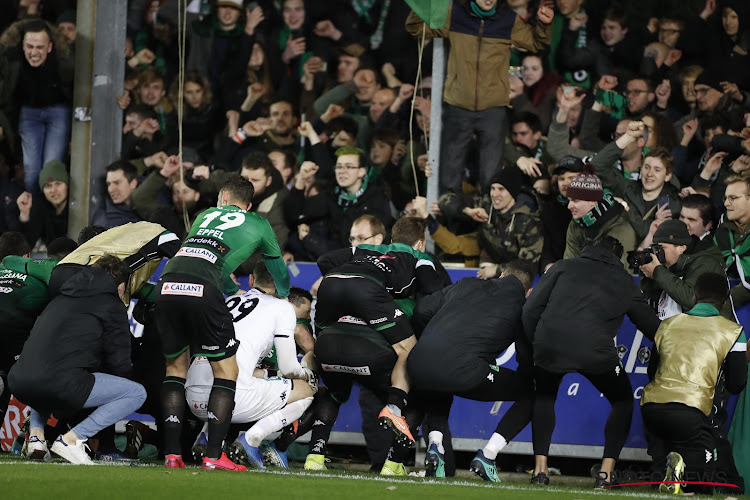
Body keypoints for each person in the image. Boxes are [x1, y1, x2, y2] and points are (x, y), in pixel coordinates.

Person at [155, 174, 290, 471]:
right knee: (227, 372)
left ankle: (173, 455)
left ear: (223, 199)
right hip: (203, 289)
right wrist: (283, 293)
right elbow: (277, 268)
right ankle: (214, 457)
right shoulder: (259, 223)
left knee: (175, 370)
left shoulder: (204, 215)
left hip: (167, 284)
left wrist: (230, 290)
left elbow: (201, 258)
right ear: (248, 204)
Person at [524, 236, 660, 488]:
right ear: (617, 258)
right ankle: (606, 474)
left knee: (544, 397)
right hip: (595, 351)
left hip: (549, 344)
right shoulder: (624, 281)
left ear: (590, 248)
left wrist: (536, 347)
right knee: (621, 401)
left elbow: (530, 309)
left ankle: (540, 469)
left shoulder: (563, 266)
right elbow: (651, 326)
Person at [386, 260, 537, 480]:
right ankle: (488, 454)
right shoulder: (521, 308)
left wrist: (428, 340)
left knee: (440, 378)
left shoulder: (466, 283)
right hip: (462, 370)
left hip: (418, 363)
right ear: (529, 292)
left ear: (502, 275)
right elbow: (526, 357)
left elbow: (421, 310)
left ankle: (436, 445)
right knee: (532, 392)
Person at [311, 217, 444, 454]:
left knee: (320, 345)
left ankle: (305, 391)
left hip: (330, 285)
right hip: (367, 290)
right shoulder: (420, 257)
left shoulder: (366, 248)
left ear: (391, 239)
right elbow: (435, 292)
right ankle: (393, 408)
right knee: (409, 351)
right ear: (421, 244)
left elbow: (324, 260)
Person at [8, 255, 147, 465]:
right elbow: (119, 363)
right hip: (58, 382)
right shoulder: (111, 304)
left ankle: (36, 436)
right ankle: (72, 440)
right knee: (136, 393)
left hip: (19, 380)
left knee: (49, 372)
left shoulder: (60, 297)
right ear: (120, 286)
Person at [406, 0, 554, 194]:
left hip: (493, 110)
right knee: (449, 177)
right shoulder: (454, 14)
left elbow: (536, 42)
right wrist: (423, 6)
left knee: (490, 178)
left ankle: (489, 222)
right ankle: (451, 220)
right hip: (458, 107)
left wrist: (544, 24)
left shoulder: (508, 20)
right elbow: (416, 27)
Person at [185, 266, 316, 469]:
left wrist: (268, 374)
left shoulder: (229, 301)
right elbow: (289, 367)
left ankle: (206, 438)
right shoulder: (282, 308)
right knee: (304, 391)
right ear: (284, 287)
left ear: (251, 279)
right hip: (229, 401)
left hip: (193, 395)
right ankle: (251, 441)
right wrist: (304, 374)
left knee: (230, 379)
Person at [641, 272, 747, 495]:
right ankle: (685, 476)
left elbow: (652, 372)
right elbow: (737, 384)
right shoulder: (734, 332)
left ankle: (672, 471)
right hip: (691, 413)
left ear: (694, 296)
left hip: (652, 410)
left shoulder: (666, 325)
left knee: (659, 481)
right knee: (703, 486)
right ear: (726, 299)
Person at [0, 19, 74, 195]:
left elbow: (82, 86)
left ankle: (51, 214)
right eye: (30, 46)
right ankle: (34, 215)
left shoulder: (64, 60)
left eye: (40, 47)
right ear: (22, 46)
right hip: (28, 113)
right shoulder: (10, 58)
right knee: (32, 172)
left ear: (50, 47)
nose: (34, 52)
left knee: (51, 167)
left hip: (58, 111)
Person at [639, 219, 725, 319]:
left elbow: (692, 301)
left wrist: (658, 272)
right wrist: (647, 275)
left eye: (661, 248)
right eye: (654, 247)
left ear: (681, 248)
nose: (657, 253)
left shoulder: (706, 263)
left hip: (711, 330)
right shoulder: (666, 270)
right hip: (678, 331)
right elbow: (652, 308)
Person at [562, 164, 636, 268]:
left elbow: (619, 278)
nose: (569, 206)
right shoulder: (576, 223)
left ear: (592, 201)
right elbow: (568, 266)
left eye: (575, 201)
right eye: (569, 200)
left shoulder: (622, 230)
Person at [91, 160, 142, 229]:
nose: (111, 189)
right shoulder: (104, 222)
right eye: (109, 184)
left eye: (117, 183)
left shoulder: (152, 199)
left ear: (133, 183)